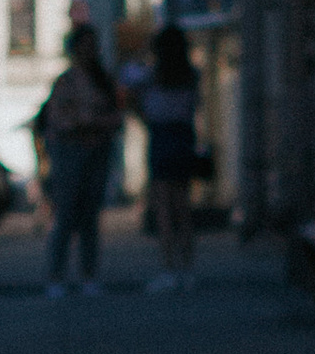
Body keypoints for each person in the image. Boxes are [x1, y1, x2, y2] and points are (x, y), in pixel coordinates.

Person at [35, 20, 124, 297]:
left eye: (93, 47)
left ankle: (89, 274)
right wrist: (85, 123)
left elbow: (115, 117)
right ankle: (56, 276)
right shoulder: (66, 83)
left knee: (89, 217)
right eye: (84, 47)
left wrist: (95, 123)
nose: (89, 52)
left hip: (97, 152)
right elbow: (59, 120)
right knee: (65, 214)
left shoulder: (104, 81)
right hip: (70, 154)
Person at [134, 22, 202, 291]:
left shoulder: (153, 76)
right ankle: (187, 269)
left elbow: (145, 109)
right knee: (183, 206)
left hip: (161, 137)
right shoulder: (191, 75)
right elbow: (195, 106)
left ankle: (168, 268)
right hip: (184, 137)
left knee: (164, 207)